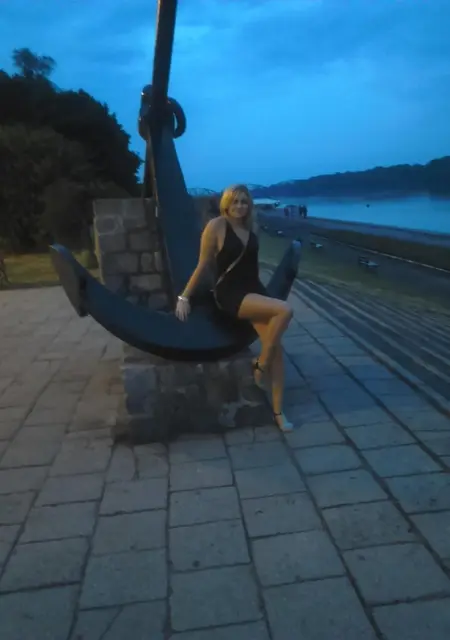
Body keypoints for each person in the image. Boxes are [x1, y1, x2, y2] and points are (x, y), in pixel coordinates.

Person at [175, 184, 294, 431]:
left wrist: (262, 295)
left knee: (277, 350)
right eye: (235, 201)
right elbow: (203, 264)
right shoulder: (217, 226)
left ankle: (278, 412)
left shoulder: (251, 228)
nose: (240, 206)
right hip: (230, 294)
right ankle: (260, 366)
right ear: (226, 204)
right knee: (285, 310)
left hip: (253, 290)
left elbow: (252, 266)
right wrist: (184, 297)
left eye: (244, 202)